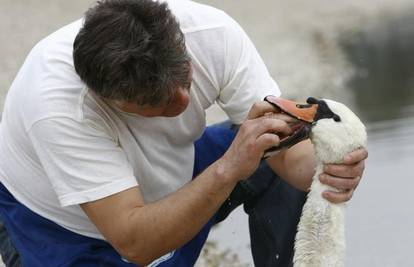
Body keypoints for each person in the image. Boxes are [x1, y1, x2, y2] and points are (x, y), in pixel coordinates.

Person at [0, 0, 368, 266]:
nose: (182, 99)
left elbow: (291, 163)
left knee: (271, 150)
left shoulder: (211, 34)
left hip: (174, 170)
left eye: (185, 77)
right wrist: (228, 169)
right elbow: (135, 242)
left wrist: (330, 171)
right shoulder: (58, 107)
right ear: (110, 99)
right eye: (158, 103)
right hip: (64, 226)